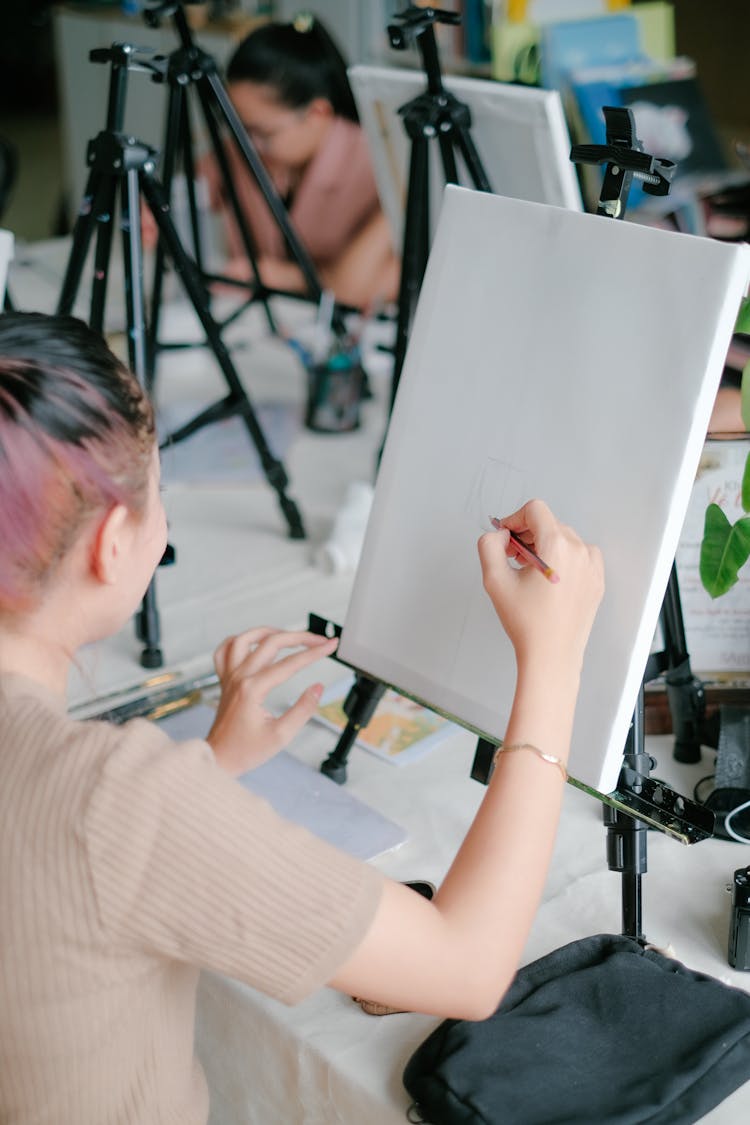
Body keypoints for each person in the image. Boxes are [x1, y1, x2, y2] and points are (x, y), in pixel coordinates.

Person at [0, 311, 604, 1122]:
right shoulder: (116, 800)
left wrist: (205, 770)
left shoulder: (109, 796)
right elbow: (466, 968)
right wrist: (555, 662)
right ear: (113, 541)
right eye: (157, 488)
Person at [203, 14, 400, 311]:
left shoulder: (379, 167)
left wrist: (283, 277)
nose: (249, 145)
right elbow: (185, 192)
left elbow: (355, 289)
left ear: (318, 113)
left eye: (262, 133)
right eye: (238, 129)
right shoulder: (239, 150)